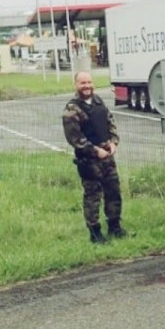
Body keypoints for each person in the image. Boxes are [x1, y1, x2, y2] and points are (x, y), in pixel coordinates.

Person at [62, 71, 128, 243]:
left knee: (113, 192)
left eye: (89, 82)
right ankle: (95, 233)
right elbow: (74, 138)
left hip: (107, 157)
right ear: (76, 85)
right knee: (92, 197)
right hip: (89, 161)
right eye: (83, 83)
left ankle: (115, 227)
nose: (87, 86)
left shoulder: (99, 101)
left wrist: (113, 143)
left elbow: (110, 123)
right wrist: (95, 151)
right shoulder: (72, 109)